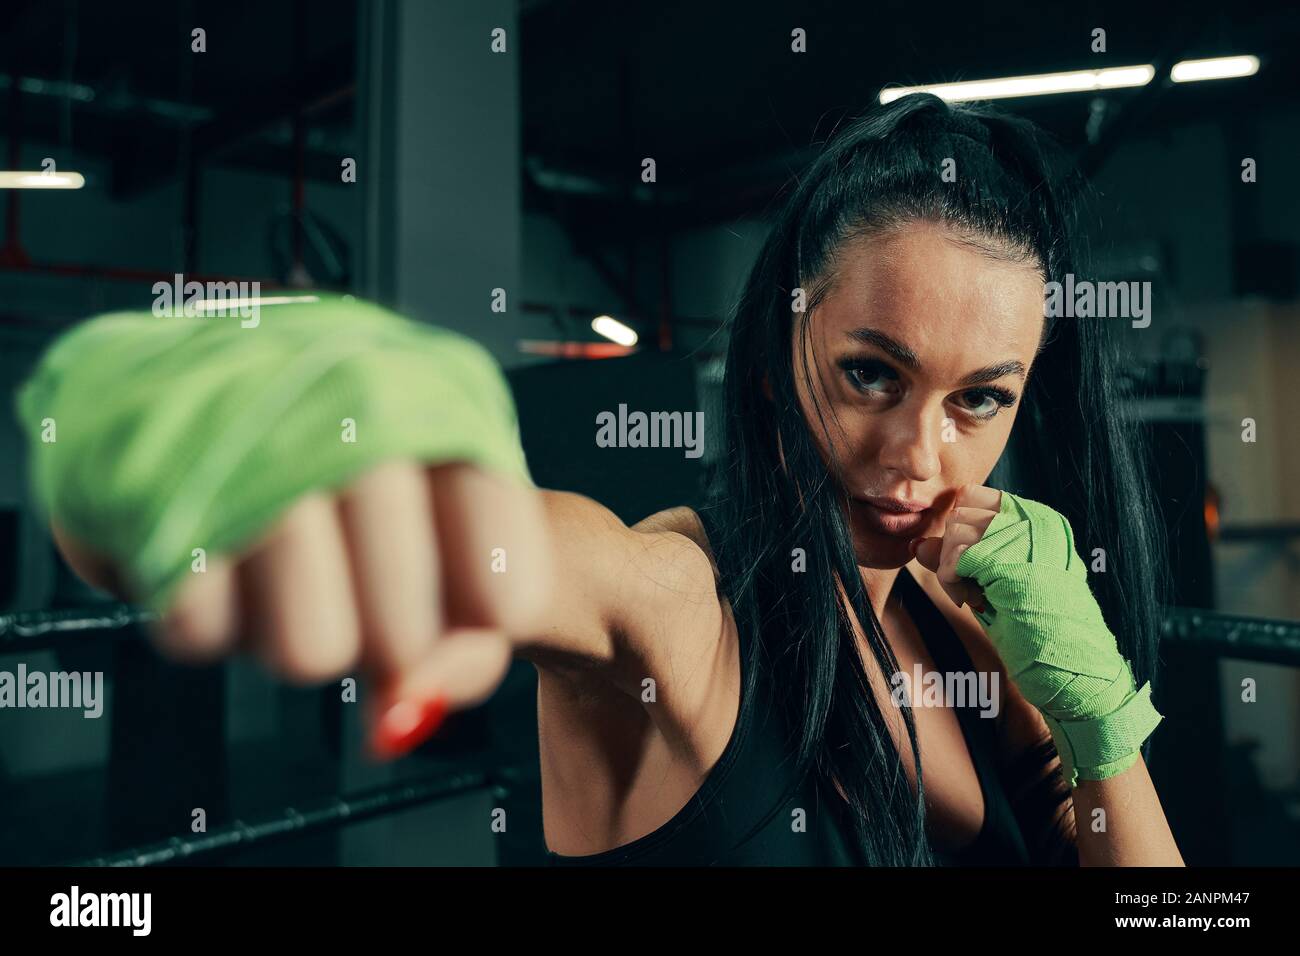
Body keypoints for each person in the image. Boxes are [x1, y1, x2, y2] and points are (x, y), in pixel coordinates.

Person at [20, 93, 1183, 866]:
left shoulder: (974, 621)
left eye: (979, 396)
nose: (919, 456)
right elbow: (539, 559)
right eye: (871, 373)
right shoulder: (681, 605)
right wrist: (314, 459)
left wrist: (1100, 712)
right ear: (782, 359)